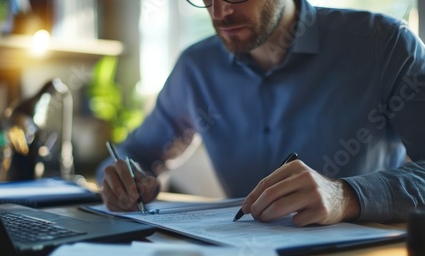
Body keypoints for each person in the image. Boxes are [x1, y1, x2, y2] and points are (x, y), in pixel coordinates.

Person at [96, 0, 425, 227]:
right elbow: (134, 154)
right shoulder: (196, 68)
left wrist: (346, 196)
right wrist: (126, 179)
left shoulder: (385, 45)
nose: (220, 12)